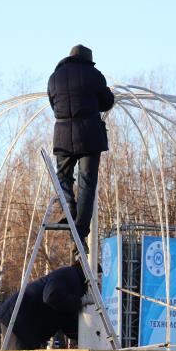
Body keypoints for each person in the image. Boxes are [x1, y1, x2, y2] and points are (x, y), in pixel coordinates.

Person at [48, 44, 115, 254]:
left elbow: (53, 103)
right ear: (88, 60)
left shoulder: (54, 78)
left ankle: (69, 211)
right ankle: (80, 231)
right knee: (87, 184)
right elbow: (106, 102)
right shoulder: (94, 75)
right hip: (89, 136)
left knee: (63, 178)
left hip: (62, 136)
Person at [0, 263, 89, 350]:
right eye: (100, 277)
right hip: (19, 320)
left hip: (24, 323)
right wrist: (80, 301)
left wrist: (87, 335)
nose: (100, 284)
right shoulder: (70, 275)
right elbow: (51, 296)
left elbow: (67, 322)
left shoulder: (75, 283)